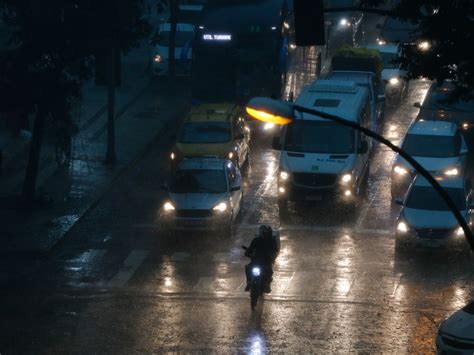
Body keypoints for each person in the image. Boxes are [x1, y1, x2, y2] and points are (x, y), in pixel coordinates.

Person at [244, 225, 279, 293]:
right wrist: (248, 253)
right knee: (248, 267)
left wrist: (272, 256)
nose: (266, 235)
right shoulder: (256, 240)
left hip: (267, 261)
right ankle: (248, 282)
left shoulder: (272, 241)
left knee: (269, 271)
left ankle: (267, 284)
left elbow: (275, 250)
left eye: (267, 233)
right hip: (256, 260)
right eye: (265, 233)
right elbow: (250, 248)